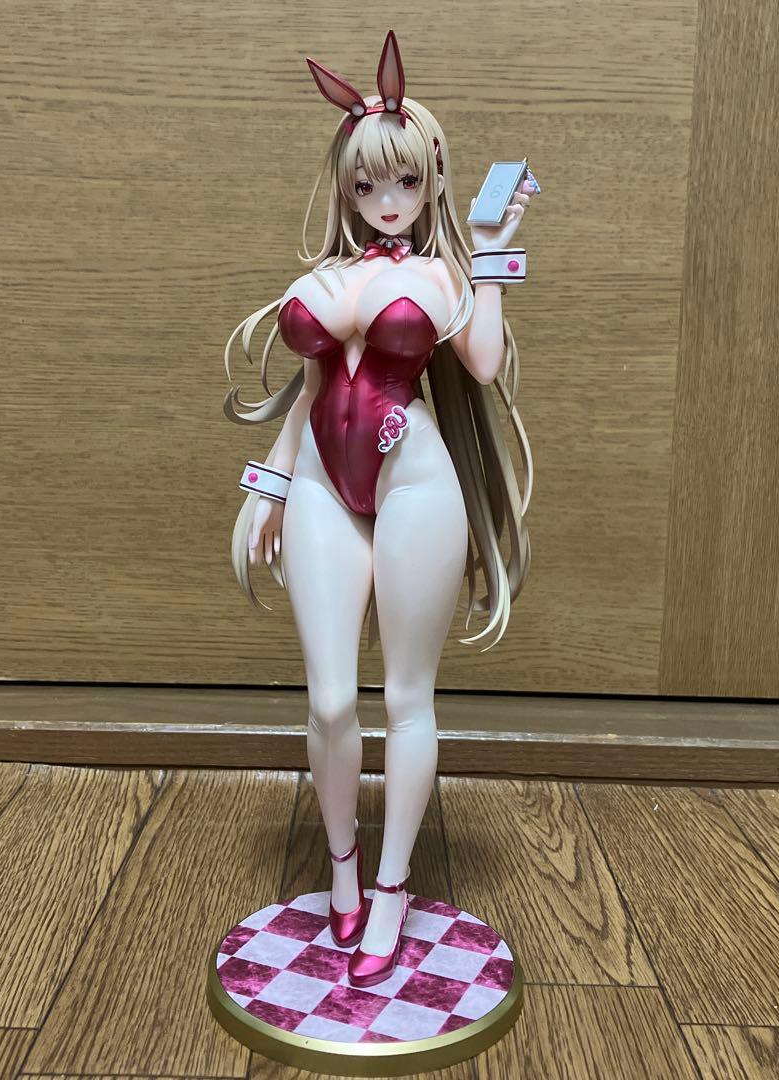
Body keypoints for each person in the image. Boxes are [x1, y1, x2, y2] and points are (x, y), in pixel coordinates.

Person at [224, 29, 536, 988]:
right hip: (324, 477)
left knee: (406, 695)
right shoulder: (327, 276)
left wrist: (492, 250)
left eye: (403, 182)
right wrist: (270, 484)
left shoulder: (440, 277)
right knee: (328, 698)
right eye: (366, 185)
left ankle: (393, 886)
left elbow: (483, 362)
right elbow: (314, 388)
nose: (386, 201)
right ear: (346, 187)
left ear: (431, 178)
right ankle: (342, 870)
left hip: (416, 482)